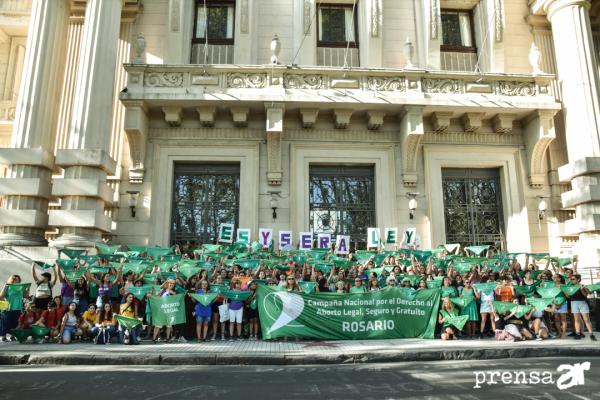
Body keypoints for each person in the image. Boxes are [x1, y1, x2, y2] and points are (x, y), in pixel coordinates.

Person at [568, 274, 597, 341]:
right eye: (571, 279)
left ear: (578, 279)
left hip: (582, 303)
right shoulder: (571, 287)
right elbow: (569, 296)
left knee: (586, 319)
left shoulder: (583, 286)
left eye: (573, 279)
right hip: (573, 303)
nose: (572, 280)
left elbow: (586, 295)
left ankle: (591, 334)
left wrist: (582, 289)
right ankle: (578, 333)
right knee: (576, 319)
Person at [0, 274, 28, 342]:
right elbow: (1, 297)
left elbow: (26, 296)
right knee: (5, 323)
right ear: (11, 280)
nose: (16, 281)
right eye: (14, 279)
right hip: (8, 308)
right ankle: (3, 336)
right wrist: (5, 286)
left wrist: (28, 289)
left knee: (15, 323)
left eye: (18, 280)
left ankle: (13, 336)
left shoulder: (21, 287)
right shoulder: (8, 287)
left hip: (18, 308)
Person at [152, 279, 177, 344]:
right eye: (170, 283)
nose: (171, 284)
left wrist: (172, 294)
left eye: (172, 284)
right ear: (167, 284)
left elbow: (176, 301)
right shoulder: (163, 290)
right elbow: (157, 297)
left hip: (169, 311)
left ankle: (167, 338)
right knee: (158, 325)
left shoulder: (174, 292)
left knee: (169, 325)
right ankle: (154, 338)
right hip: (161, 310)